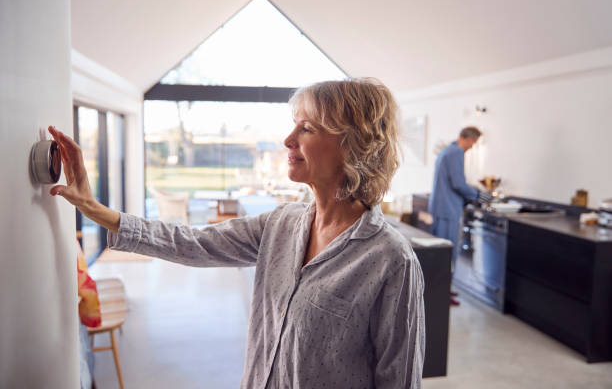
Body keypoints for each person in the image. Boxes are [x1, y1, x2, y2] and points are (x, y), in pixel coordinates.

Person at [49, 78, 426, 388]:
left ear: (353, 146)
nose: (288, 139)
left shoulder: (390, 261)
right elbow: (193, 242)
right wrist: (97, 211)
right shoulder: (282, 223)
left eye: (307, 128)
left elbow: (399, 381)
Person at [427, 126, 491, 306]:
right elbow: (458, 183)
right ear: (468, 139)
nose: (473, 147)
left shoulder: (447, 151)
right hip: (448, 210)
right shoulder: (456, 153)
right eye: (474, 142)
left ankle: (442, 291)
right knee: (447, 253)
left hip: (441, 208)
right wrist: (478, 195)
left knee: (442, 252)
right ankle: (441, 295)